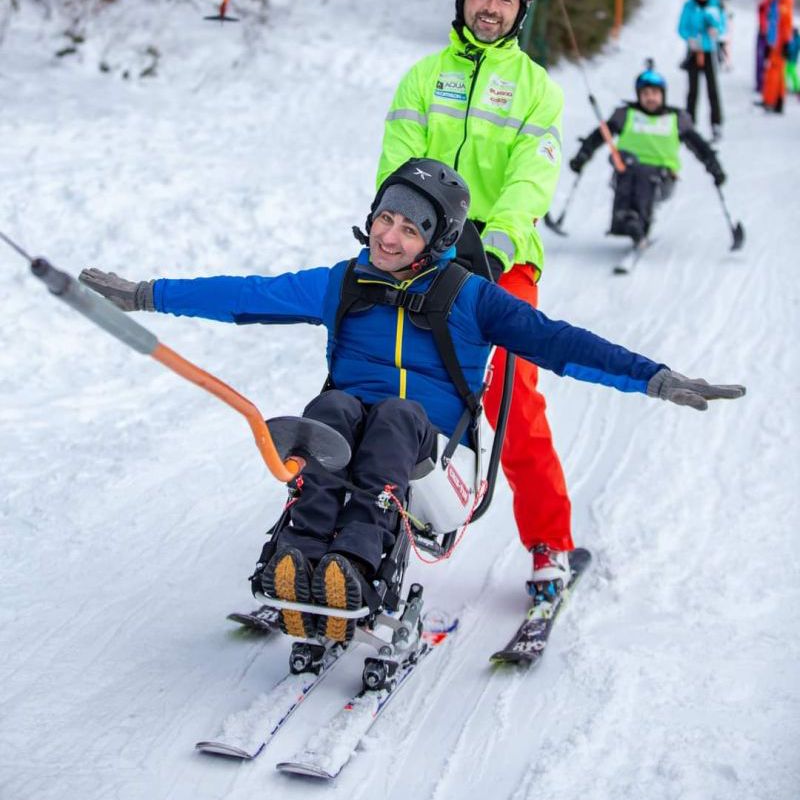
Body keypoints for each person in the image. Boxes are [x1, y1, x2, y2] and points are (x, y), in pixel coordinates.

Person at [79, 158, 745, 645]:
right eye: (383, 220)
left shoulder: (470, 297)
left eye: (408, 228)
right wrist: (146, 294)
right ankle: (297, 557)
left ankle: (357, 565)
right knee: (334, 411)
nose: (389, 237)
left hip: (437, 462)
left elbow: (560, 341)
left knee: (395, 416)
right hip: (348, 433)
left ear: (437, 239)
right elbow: (248, 292)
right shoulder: (344, 281)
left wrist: (654, 376)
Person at [376, 0, 576, 592]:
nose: (490, 8)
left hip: (499, 261)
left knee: (510, 397)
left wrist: (499, 239)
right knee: (380, 384)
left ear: (519, 12)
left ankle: (549, 544)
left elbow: (531, 176)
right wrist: (403, 231)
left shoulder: (537, 88)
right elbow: (397, 162)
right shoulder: (422, 77)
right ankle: (355, 530)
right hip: (421, 254)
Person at [569, 67, 725, 245]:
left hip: (661, 177)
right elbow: (599, 136)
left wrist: (714, 167)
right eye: (645, 93)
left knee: (645, 173)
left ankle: (638, 222)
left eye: (655, 93)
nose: (650, 98)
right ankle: (624, 219)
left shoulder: (675, 119)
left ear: (663, 95)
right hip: (626, 170)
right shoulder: (626, 115)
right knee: (626, 163)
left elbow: (699, 146)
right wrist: (583, 155)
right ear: (638, 95)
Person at [678, 0, 727, 141]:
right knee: (692, 90)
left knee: (712, 89)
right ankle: (689, 123)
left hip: (709, 51)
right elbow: (682, 27)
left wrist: (716, 31)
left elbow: (722, 26)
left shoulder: (715, 6)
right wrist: (689, 38)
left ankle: (716, 124)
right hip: (694, 51)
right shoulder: (689, 6)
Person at [760, 0, 794, 113]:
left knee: (776, 73)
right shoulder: (773, 1)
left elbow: (786, 25)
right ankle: (773, 100)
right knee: (772, 72)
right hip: (772, 42)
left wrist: (786, 43)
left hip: (780, 44)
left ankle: (773, 101)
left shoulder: (785, 2)